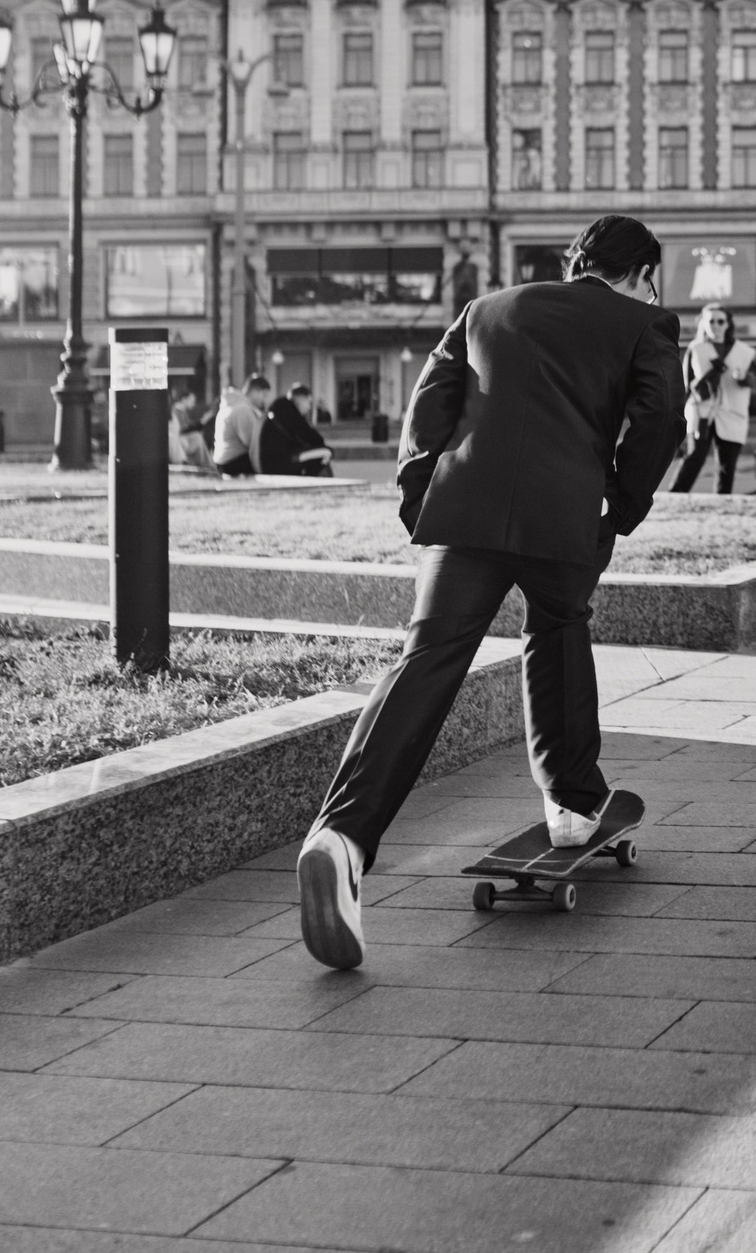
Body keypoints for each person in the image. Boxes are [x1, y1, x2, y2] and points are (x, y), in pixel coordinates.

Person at [297, 214, 685, 969]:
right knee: (558, 624)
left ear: (575, 262)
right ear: (642, 273)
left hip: (463, 506)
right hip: (566, 512)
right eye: (651, 281)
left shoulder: (487, 309)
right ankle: (571, 803)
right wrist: (621, 504)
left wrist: (421, 497)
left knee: (427, 658)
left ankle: (341, 836)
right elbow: (660, 417)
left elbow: (429, 405)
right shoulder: (644, 322)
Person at [672, 304, 756, 494]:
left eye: (720, 321)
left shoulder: (745, 351)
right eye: (711, 321)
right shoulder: (696, 348)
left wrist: (744, 378)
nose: (716, 326)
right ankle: (675, 496)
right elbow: (686, 384)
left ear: (728, 324)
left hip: (733, 412)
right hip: (701, 411)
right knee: (695, 456)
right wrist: (677, 416)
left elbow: (753, 382)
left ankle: (722, 502)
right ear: (703, 323)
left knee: (727, 464)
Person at [264, 382, 334, 477]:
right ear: (300, 399)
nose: (309, 407)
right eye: (309, 402)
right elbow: (314, 438)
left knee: (318, 453)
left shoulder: (280, 410)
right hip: (278, 463)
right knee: (327, 452)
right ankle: (312, 482)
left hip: (273, 462)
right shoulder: (288, 411)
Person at [213, 379, 268, 477]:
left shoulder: (230, 405)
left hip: (223, 461)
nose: (264, 400)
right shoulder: (243, 409)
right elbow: (253, 442)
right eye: (264, 395)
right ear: (254, 391)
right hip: (234, 462)